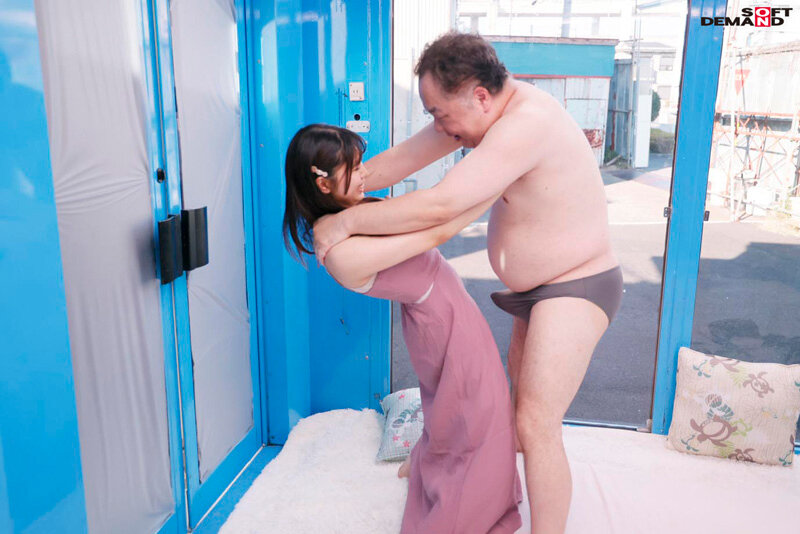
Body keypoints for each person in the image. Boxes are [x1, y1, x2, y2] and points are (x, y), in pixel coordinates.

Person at [312, 32, 623, 534]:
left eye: (439, 113)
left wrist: (345, 223)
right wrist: (338, 190)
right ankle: (474, 484)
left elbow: (442, 204)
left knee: (535, 424)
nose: (438, 127)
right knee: (513, 417)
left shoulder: (527, 123)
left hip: (576, 284)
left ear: (480, 95)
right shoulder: (479, 113)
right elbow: (399, 160)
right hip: (534, 291)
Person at [283, 123, 522, 534]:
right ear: (323, 184)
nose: (366, 174)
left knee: (456, 412)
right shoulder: (342, 253)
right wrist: (501, 180)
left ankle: (442, 471)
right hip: (444, 326)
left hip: (444, 316)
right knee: (478, 416)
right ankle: (465, 506)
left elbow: (403, 179)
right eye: (356, 168)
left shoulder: (350, 216)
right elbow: (439, 231)